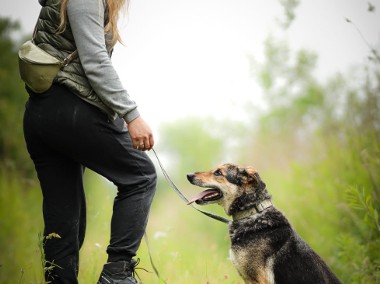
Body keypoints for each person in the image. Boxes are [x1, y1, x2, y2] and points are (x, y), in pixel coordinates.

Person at [22, 0, 157, 283]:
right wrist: (131, 115)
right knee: (141, 176)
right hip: (68, 108)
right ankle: (117, 273)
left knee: (64, 222)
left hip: (41, 113)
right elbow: (95, 62)